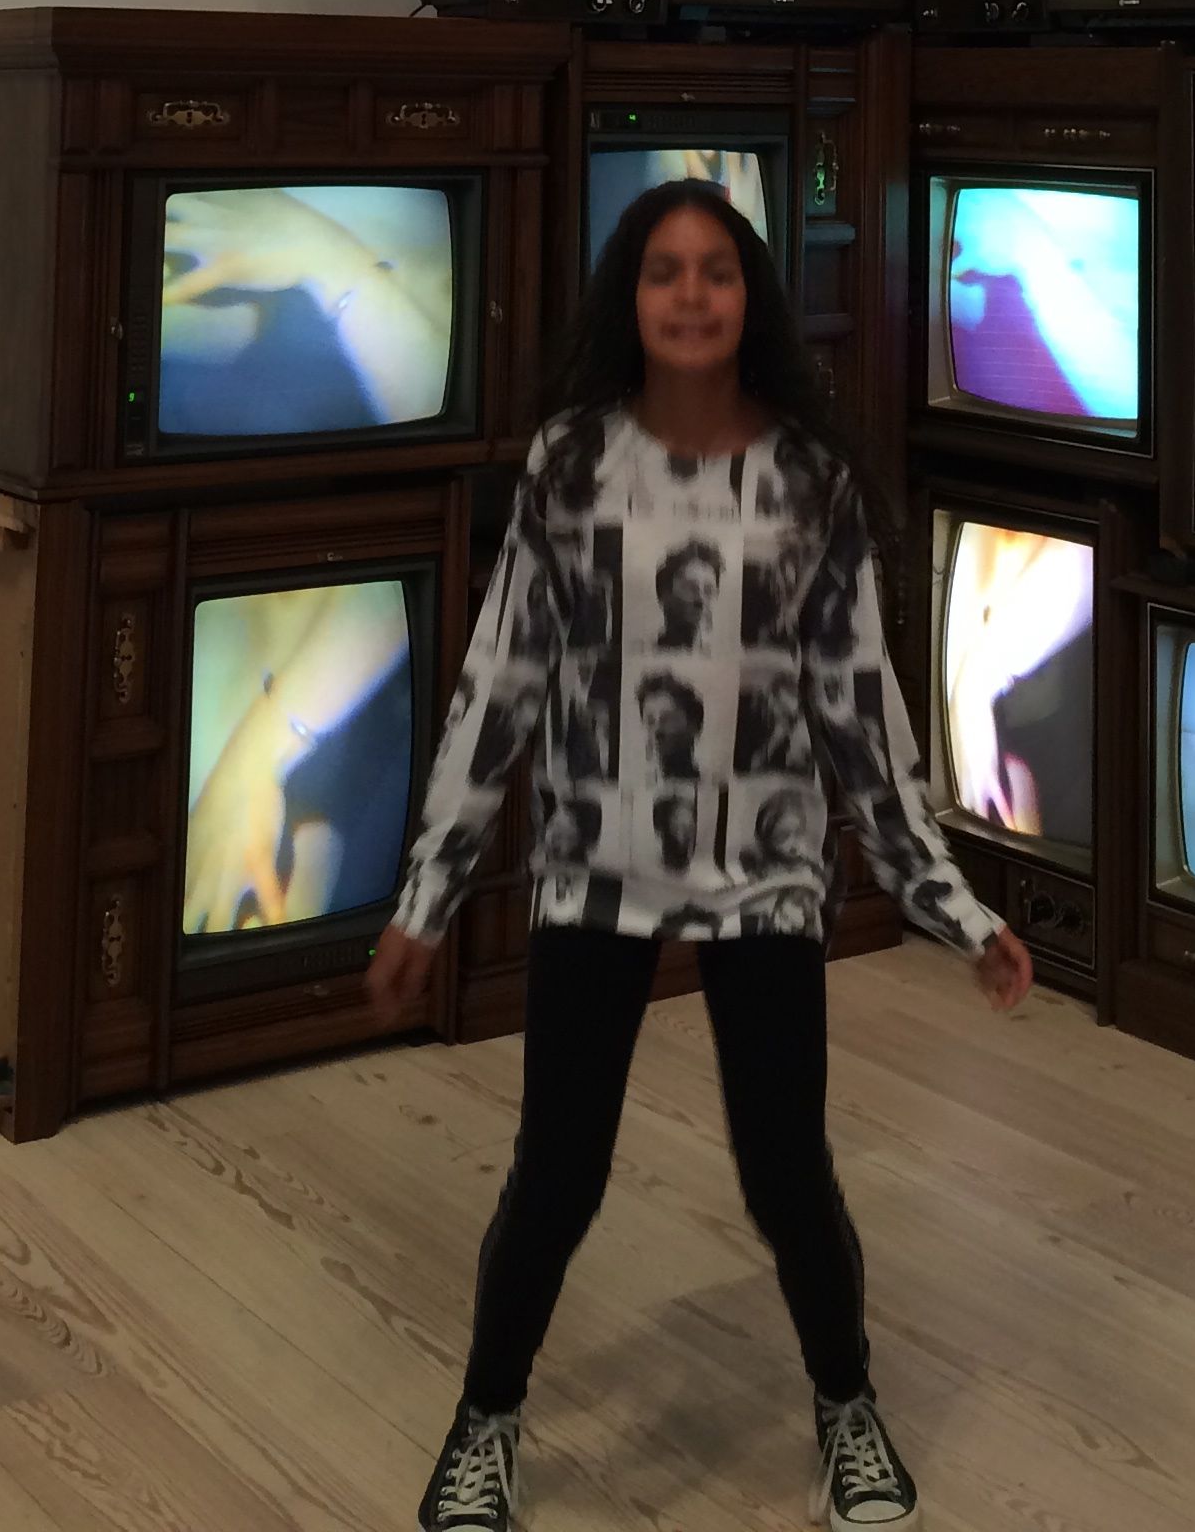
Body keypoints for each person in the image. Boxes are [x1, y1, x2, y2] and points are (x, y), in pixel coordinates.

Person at [367, 181, 1032, 1532]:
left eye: (715, 271)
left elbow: (860, 710)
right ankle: (486, 1421)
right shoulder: (568, 467)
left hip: (766, 873)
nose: (688, 295)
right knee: (559, 1172)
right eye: (663, 271)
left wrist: (951, 906)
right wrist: (428, 895)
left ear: (750, 299)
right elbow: (501, 684)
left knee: (788, 1172)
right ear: (630, 297)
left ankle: (847, 1404)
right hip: (593, 867)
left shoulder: (810, 482)